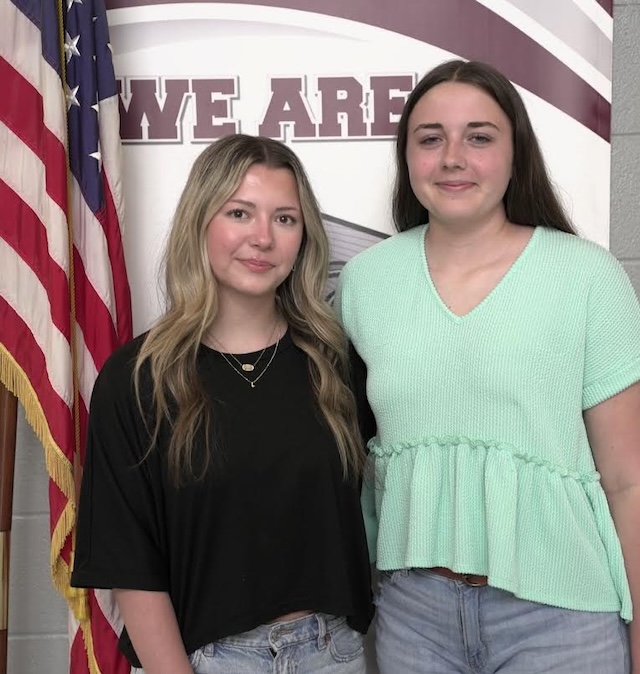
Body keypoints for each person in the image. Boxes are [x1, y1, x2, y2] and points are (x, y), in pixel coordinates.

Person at [336, 59, 640, 674]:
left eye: (479, 137)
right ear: (407, 157)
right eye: (431, 139)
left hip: (562, 620)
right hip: (414, 618)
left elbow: (628, 480)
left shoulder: (587, 276)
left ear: (514, 151)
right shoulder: (365, 282)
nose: (453, 158)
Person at [71, 134, 374, 673]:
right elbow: (130, 564)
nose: (263, 238)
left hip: (333, 653)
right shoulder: (139, 378)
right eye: (240, 213)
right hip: (209, 659)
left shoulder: (338, 364)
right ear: (200, 222)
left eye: (285, 219)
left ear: (303, 237)